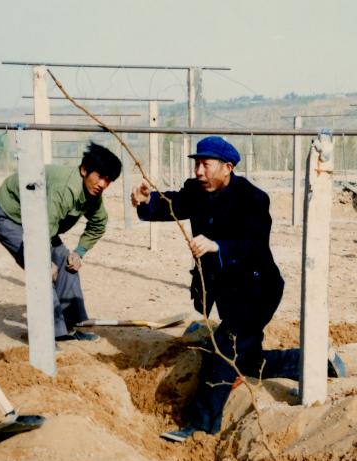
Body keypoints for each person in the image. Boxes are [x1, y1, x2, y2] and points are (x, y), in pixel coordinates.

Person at [132, 137, 345, 443]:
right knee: (243, 361)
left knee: (221, 351)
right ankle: (311, 360)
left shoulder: (254, 199)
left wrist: (217, 245)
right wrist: (146, 201)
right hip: (227, 294)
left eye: (206, 164)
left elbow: (255, 247)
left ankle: (202, 427)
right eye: (197, 164)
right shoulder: (196, 190)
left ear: (227, 168)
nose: (199, 171)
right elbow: (172, 205)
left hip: (257, 292)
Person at [0, 142, 121, 343]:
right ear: (84, 170)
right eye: (99, 176)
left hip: (38, 222)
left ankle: (72, 327)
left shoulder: (93, 193)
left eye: (108, 180)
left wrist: (79, 252)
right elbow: (40, 231)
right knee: (40, 269)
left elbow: (99, 222)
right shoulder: (65, 187)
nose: (102, 184)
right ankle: (46, 336)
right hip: (10, 215)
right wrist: (43, 260)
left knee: (67, 264)